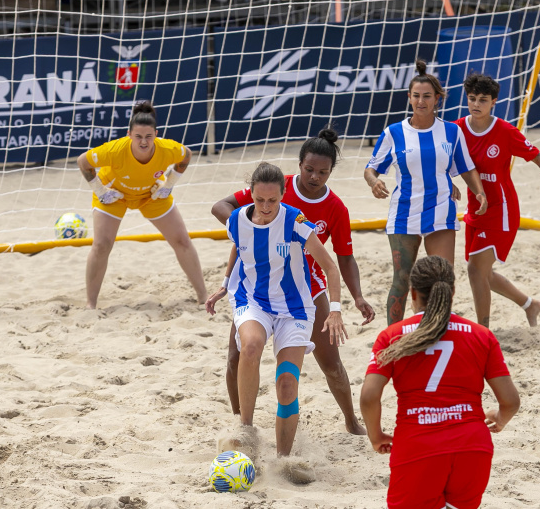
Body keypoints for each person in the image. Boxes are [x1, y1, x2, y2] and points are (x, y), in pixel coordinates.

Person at [211, 127, 376, 436]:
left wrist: (357, 297)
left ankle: (352, 421)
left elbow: (342, 258)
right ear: (299, 165)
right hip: (258, 286)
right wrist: (252, 230)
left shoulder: (336, 208)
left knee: (331, 362)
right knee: (238, 355)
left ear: (330, 173)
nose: (314, 176)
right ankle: (240, 423)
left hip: (306, 291)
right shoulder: (273, 188)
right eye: (309, 169)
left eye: (323, 172)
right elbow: (223, 207)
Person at [205, 162, 344, 466]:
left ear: (283, 195)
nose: (266, 207)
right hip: (253, 300)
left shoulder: (295, 221)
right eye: (259, 200)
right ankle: (247, 430)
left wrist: (334, 310)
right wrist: (224, 285)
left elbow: (331, 267)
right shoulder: (238, 219)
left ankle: (283, 459)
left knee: (286, 383)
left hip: (295, 307)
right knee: (250, 346)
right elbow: (240, 247)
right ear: (251, 195)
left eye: (273, 200)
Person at [360, 255, 520, 509]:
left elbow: (369, 397)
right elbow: (510, 401)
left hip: (418, 446)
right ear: (453, 291)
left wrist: (376, 434)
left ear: (413, 293)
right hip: (472, 446)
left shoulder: (393, 336)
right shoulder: (481, 335)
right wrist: (499, 419)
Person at [364, 58, 488, 326]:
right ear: (409, 98)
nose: (421, 101)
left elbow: (466, 168)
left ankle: (437, 331)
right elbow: (370, 169)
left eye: (427, 96)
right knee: (402, 279)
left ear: (438, 99)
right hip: (404, 213)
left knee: (442, 279)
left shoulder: (452, 132)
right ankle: (393, 338)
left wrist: (479, 192)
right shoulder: (393, 133)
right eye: (416, 96)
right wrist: (373, 181)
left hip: (440, 210)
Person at [454, 73, 540, 327]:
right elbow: (442, 161)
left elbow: (539, 158)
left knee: (475, 269)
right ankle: (530, 304)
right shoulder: (456, 129)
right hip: (475, 210)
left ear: (494, 102)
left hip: (501, 211)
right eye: (472, 99)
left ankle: (483, 332)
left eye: (483, 100)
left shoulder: (505, 131)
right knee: (484, 273)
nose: (476, 104)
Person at [76, 100, 207, 309]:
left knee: (182, 240)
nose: (143, 142)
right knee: (101, 246)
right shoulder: (115, 150)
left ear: (156, 134)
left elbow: (187, 156)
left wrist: (169, 184)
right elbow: (83, 162)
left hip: (151, 195)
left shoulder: (168, 149)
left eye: (148, 136)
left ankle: (203, 297)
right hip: (114, 195)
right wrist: (101, 191)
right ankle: (90, 304)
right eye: (138, 136)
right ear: (129, 135)